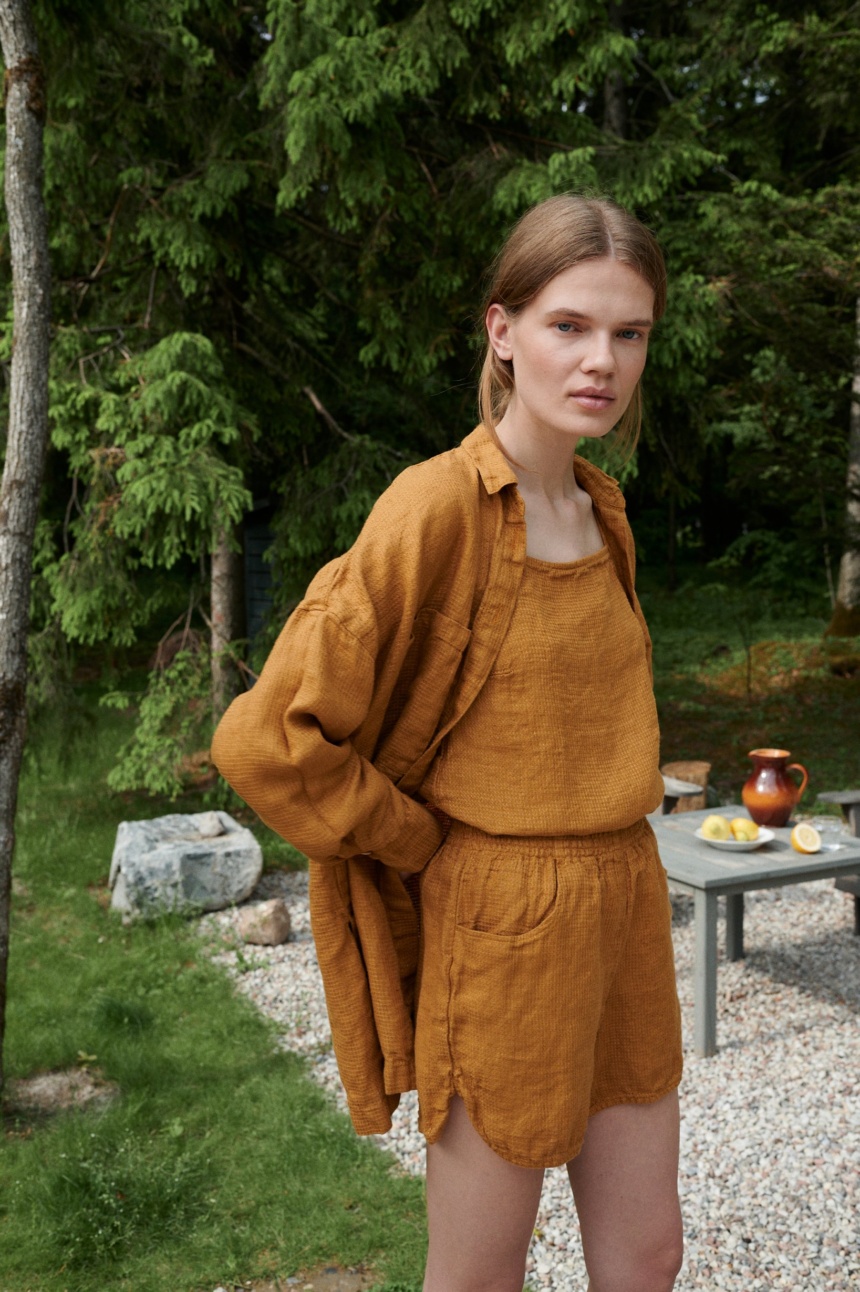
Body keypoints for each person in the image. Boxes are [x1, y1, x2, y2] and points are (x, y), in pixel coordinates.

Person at [212, 193, 684, 1292]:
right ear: (501, 330)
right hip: (502, 920)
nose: (601, 360)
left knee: (647, 1253)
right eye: (569, 324)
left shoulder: (603, 509)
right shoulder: (435, 508)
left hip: (626, 901)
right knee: (477, 1272)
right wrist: (414, 839)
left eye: (629, 333)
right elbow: (268, 737)